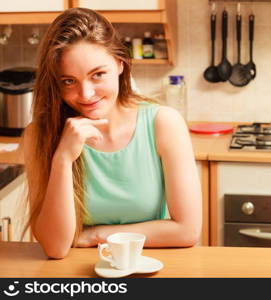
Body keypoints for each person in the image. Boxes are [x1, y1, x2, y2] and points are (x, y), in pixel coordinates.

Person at [22, 7, 202, 259]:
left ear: (120, 63)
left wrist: (97, 235)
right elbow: (56, 247)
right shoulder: (39, 136)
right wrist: (62, 159)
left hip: (151, 268)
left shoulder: (163, 124)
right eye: (68, 81)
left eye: (97, 75)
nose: (85, 95)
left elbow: (186, 231)